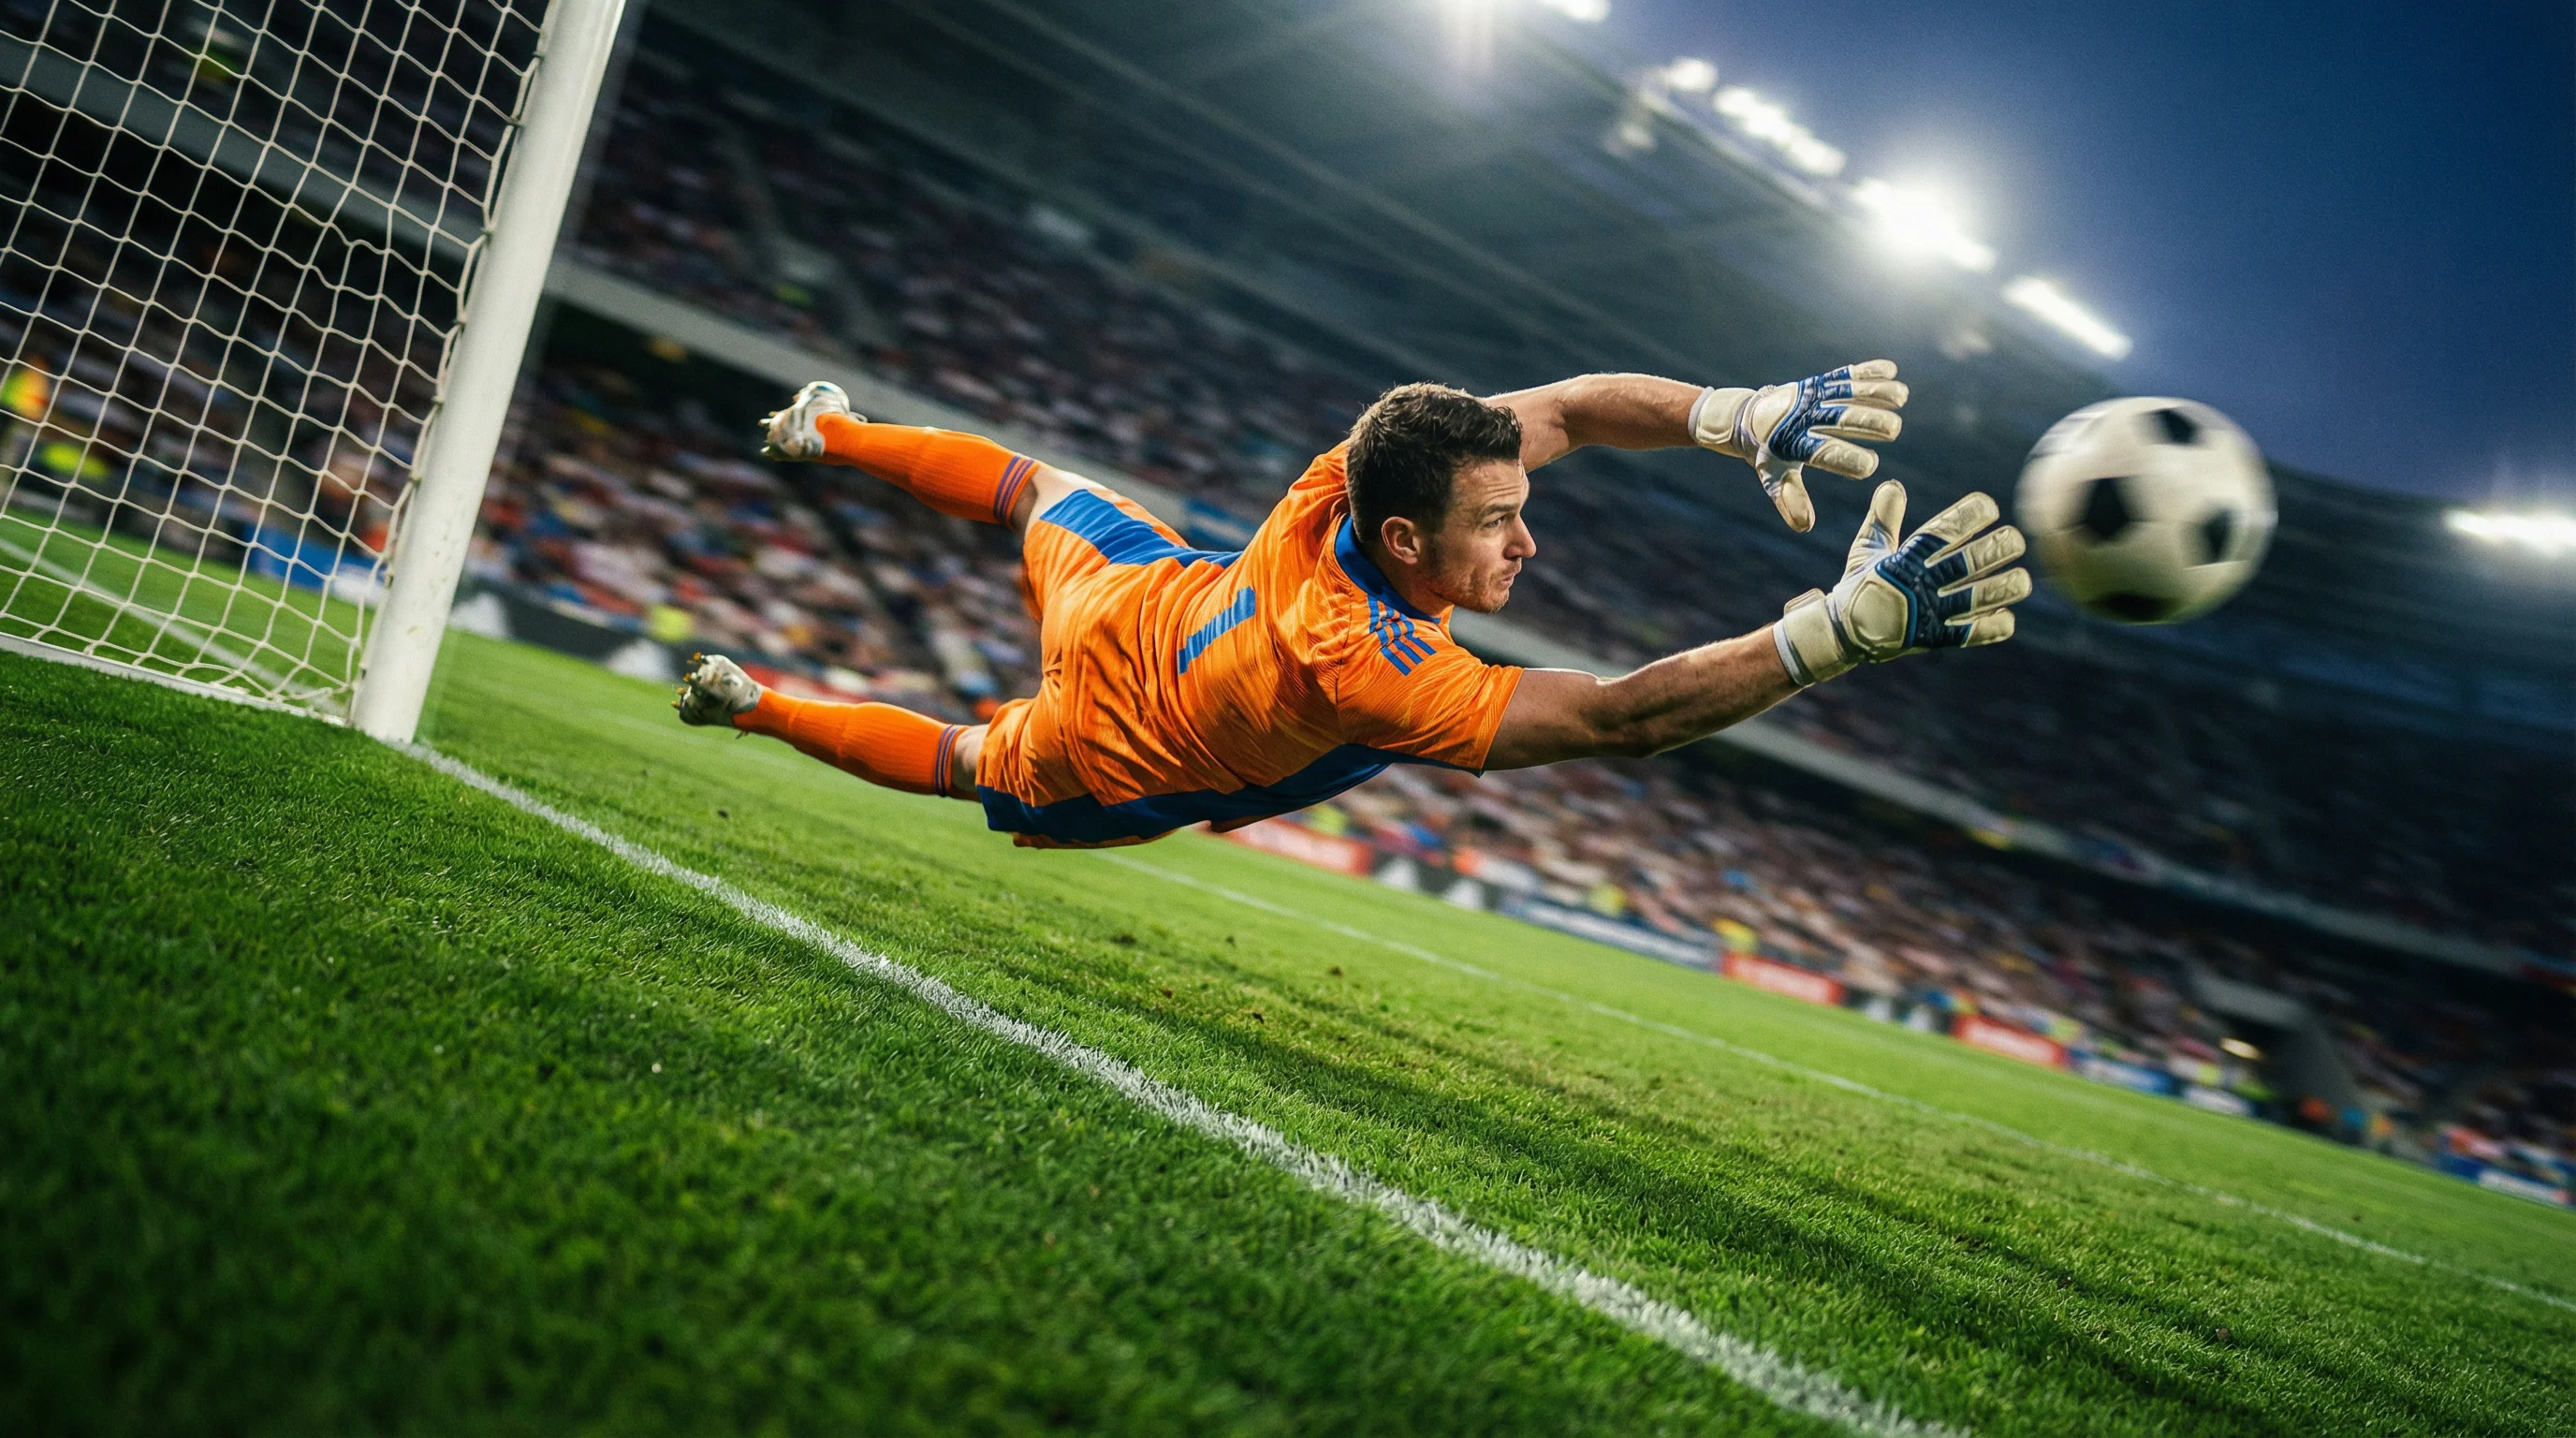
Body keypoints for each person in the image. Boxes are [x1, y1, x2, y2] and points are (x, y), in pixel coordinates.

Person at [673, 365, 2027, 847]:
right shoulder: (1373, 676)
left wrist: (1737, 415)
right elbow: (1621, 721)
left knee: (1029, 487)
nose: (1527, 542)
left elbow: (1553, 412)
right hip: (1118, 745)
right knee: (970, 758)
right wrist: (1839, 629)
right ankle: (759, 708)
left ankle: (826, 431)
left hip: (1147, 598)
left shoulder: (1358, 465)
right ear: (1402, 536)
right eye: (1496, 526)